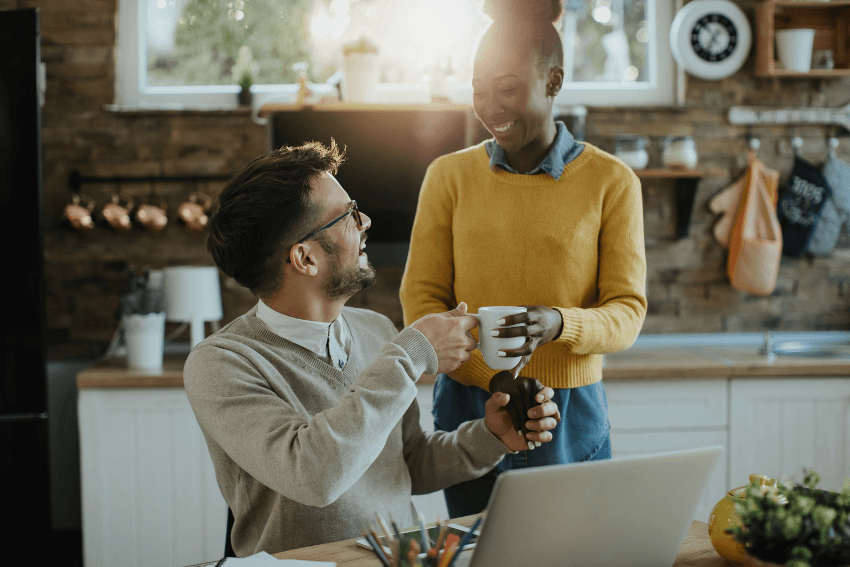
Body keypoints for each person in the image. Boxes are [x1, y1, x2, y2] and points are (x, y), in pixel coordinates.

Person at [183, 140, 562, 557]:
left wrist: (492, 437)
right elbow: (314, 475)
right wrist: (412, 352)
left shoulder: (375, 329)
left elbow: (409, 463)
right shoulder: (222, 363)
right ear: (305, 259)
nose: (364, 220)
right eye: (347, 215)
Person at [399, 0, 647, 518]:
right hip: (468, 407)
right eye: (478, 91)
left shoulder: (612, 183)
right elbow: (420, 299)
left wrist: (559, 323)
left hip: (569, 412)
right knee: (475, 551)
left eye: (507, 89)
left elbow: (627, 313)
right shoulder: (448, 177)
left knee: (570, 553)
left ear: (554, 80)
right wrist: (492, 374)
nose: (490, 108)